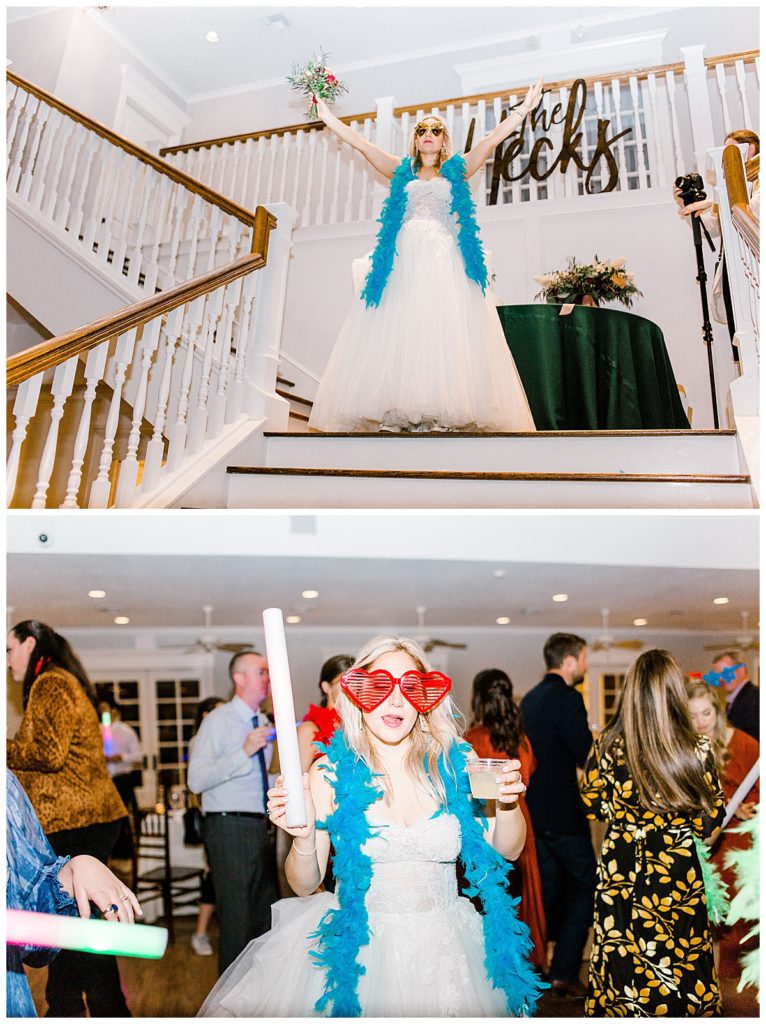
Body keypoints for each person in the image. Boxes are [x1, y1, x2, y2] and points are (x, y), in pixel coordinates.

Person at [198, 636, 546, 1017]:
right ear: (357, 694)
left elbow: (508, 849)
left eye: (409, 687)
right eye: (380, 685)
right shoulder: (328, 772)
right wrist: (303, 838)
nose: (396, 700)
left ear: (425, 698)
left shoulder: (456, 763)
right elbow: (301, 883)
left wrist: (508, 802)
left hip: (448, 948)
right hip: (359, 948)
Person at [306, 82, 543, 433]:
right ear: (415, 139)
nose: (428, 134)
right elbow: (361, 144)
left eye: (435, 129)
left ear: (444, 139)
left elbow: (491, 139)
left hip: (443, 259)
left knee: (440, 327)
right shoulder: (400, 170)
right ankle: (398, 408)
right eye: (422, 130)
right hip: (404, 258)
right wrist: (326, 115)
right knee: (401, 325)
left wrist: (523, 109)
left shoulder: (458, 168)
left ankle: (439, 410)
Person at [581, 650, 726, 1017]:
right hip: (674, 867)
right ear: (675, 693)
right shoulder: (697, 748)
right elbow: (708, 823)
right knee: (680, 954)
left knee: (621, 959)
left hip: (621, 867)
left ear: (631, 692)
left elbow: (593, 805)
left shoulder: (605, 746)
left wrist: (629, 818)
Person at [6, 620, 132, 1017]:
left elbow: (47, 754)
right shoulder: (60, 680)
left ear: (29, 644)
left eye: (9, 650)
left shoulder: (51, 682)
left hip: (75, 818)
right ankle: (96, 1010)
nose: (7, 661)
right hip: (89, 816)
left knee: (71, 929)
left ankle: (67, 1011)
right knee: (84, 928)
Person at [6, 769, 142, 1018]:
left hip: (77, 822)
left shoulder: (6, 788)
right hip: (73, 821)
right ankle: (68, 1004)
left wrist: (71, 872)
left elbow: (54, 753)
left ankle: (91, 1007)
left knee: (83, 918)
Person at [187, 651, 278, 975]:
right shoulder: (218, 721)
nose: (267, 678)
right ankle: (228, 1005)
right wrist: (245, 751)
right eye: (261, 672)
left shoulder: (262, 721)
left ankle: (257, 996)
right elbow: (195, 780)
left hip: (258, 826)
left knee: (264, 918)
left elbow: (256, 778)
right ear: (239, 679)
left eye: (268, 673)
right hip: (228, 827)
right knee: (238, 921)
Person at [519, 632, 596, 999]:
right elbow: (586, 754)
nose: (585, 665)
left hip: (534, 811)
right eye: (583, 658)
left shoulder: (530, 699)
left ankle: (536, 965)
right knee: (586, 886)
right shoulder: (568, 698)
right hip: (564, 814)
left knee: (547, 892)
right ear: (568, 661)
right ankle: (564, 973)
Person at [464, 667, 547, 970]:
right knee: (521, 894)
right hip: (518, 817)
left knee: (490, 895)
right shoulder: (521, 739)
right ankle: (523, 963)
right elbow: (530, 775)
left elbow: (468, 789)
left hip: (486, 820)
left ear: (478, 699)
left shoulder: (473, 739)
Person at [686, 679, 759, 978]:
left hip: (734, 846)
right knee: (699, 922)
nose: (700, 722)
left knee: (732, 922)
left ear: (717, 711)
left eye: (706, 713)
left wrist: (750, 805)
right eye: (692, 715)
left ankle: (730, 994)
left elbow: (758, 790)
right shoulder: (685, 747)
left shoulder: (745, 744)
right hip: (697, 842)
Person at [675, 129, 760, 346]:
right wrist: (687, 206)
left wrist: (709, 201)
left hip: (752, 265)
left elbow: (755, 208)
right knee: (740, 334)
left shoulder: (759, 174)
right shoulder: (728, 188)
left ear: (749, 148)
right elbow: (712, 228)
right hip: (734, 269)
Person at [187, 696, 226, 957]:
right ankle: (200, 932)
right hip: (214, 818)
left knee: (216, 876)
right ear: (205, 716)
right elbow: (199, 782)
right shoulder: (199, 741)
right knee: (213, 875)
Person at [97, 696, 143, 858]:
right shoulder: (96, 730)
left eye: (105, 708)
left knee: (124, 818)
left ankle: (126, 853)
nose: (102, 711)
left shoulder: (126, 731)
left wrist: (122, 757)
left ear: (114, 710)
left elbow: (138, 755)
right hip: (103, 781)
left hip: (122, 780)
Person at [296, 654, 354, 770]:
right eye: (345, 681)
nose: (351, 687)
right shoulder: (309, 730)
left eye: (356, 682)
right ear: (326, 687)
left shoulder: (359, 726)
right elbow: (298, 781)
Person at [710, 650, 759, 741]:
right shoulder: (731, 703)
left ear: (741, 670)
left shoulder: (756, 697)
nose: (720, 678)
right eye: (717, 675)